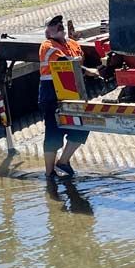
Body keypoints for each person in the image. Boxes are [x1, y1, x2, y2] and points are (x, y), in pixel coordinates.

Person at [38, 14, 96, 179]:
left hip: (73, 92)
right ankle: (49, 174)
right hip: (52, 93)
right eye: (54, 24)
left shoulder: (72, 44)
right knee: (53, 134)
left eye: (60, 23)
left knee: (82, 126)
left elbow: (80, 58)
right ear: (47, 31)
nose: (59, 25)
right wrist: (88, 71)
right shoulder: (47, 46)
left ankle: (63, 162)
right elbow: (66, 63)